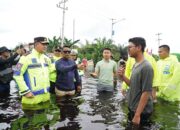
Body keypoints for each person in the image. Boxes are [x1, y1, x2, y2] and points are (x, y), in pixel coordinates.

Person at [118, 37, 153, 129]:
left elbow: (146, 92)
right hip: (133, 107)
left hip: (141, 112)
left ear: (138, 47)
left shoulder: (146, 67)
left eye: (130, 47)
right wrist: (123, 77)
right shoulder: (135, 64)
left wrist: (137, 115)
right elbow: (133, 85)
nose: (128, 50)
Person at [13, 37, 51, 104]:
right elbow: (16, 74)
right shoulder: (25, 57)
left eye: (46, 44)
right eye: (43, 44)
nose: (45, 46)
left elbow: (50, 73)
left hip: (46, 96)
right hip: (31, 97)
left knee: (45, 114)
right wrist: (25, 91)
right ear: (36, 44)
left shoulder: (46, 58)